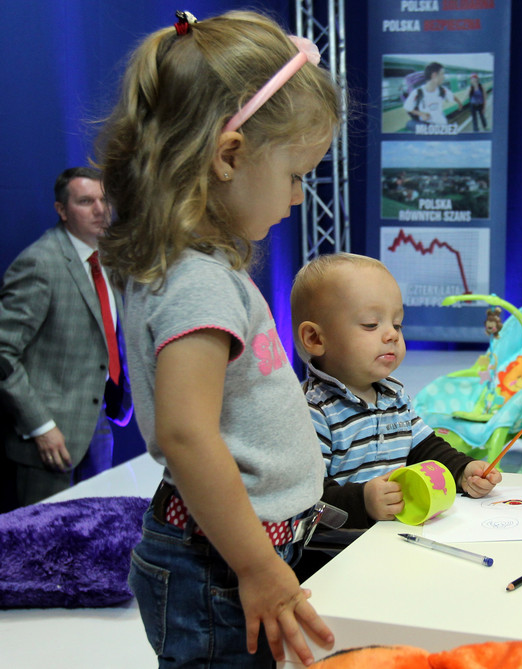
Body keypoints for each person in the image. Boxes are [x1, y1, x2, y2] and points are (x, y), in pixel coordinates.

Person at [95, 11, 340, 667]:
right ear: (230, 156)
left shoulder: (198, 269)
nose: (296, 197)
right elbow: (187, 432)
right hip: (221, 567)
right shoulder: (198, 283)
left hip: (231, 554)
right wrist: (257, 565)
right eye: (294, 175)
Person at [289, 253, 502, 572]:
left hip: (395, 546)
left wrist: (463, 470)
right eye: (371, 324)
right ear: (315, 338)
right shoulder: (312, 411)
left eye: (397, 324)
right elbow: (306, 501)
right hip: (333, 562)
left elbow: (424, 448)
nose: (391, 334)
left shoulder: (393, 395)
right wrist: (365, 501)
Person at [0, 166, 132, 510]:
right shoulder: (39, 263)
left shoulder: (107, 260)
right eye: (86, 201)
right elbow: (3, 353)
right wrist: (41, 426)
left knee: (95, 537)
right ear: (62, 210)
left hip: (97, 427)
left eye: (104, 199)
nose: (101, 210)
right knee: (43, 549)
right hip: (48, 443)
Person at [402, 61, 462, 130]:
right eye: (442, 74)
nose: (444, 77)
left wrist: (459, 102)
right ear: (434, 75)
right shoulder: (418, 92)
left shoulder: (442, 90)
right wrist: (421, 114)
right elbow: (407, 107)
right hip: (427, 127)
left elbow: (452, 96)